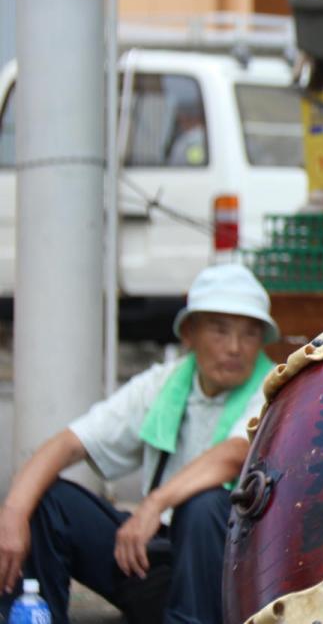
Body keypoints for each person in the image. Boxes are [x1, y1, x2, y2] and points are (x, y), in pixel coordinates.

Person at [0, 264, 278, 623]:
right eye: (220, 330)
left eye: (249, 334)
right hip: (155, 556)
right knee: (48, 502)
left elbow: (233, 456)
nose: (235, 347)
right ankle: (36, 616)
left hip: (226, 571)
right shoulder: (163, 383)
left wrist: (153, 504)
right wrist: (13, 514)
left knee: (204, 504)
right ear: (190, 334)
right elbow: (68, 443)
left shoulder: (271, 388)